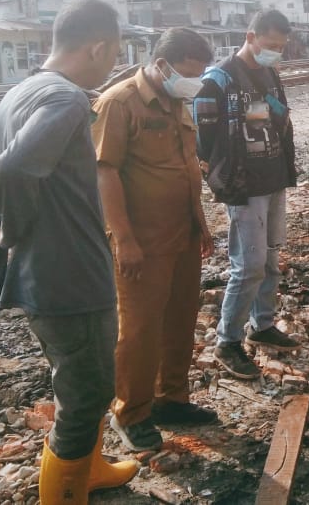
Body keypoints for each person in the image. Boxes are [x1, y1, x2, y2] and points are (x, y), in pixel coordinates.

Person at [0, 0, 136, 503]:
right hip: (71, 279)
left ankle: (92, 467)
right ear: (98, 47)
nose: (112, 62)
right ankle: (64, 495)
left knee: (81, 386)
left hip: (47, 280)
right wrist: (14, 232)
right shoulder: (66, 99)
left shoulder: (18, 94)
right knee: (86, 396)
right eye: (114, 52)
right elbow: (11, 174)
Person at [93, 28, 218, 452]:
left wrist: (200, 225)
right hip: (142, 244)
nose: (193, 81)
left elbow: (185, 166)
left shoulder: (177, 100)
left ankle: (171, 399)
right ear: (162, 64)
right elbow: (104, 171)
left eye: (199, 74)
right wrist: (123, 240)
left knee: (181, 319)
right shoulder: (119, 102)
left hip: (181, 235)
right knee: (141, 330)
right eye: (187, 73)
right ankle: (131, 413)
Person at [194, 9, 299, 380]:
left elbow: (270, 121)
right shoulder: (218, 80)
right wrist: (221, 180)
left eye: (280, 47)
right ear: (250, 36)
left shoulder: (268, 72)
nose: (275, 52)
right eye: (270, 45)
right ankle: (228, 341)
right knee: (249, 265)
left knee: (270, 259)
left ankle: (263, 324)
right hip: (244, 187)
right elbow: (202, 142)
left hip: (273, 178)